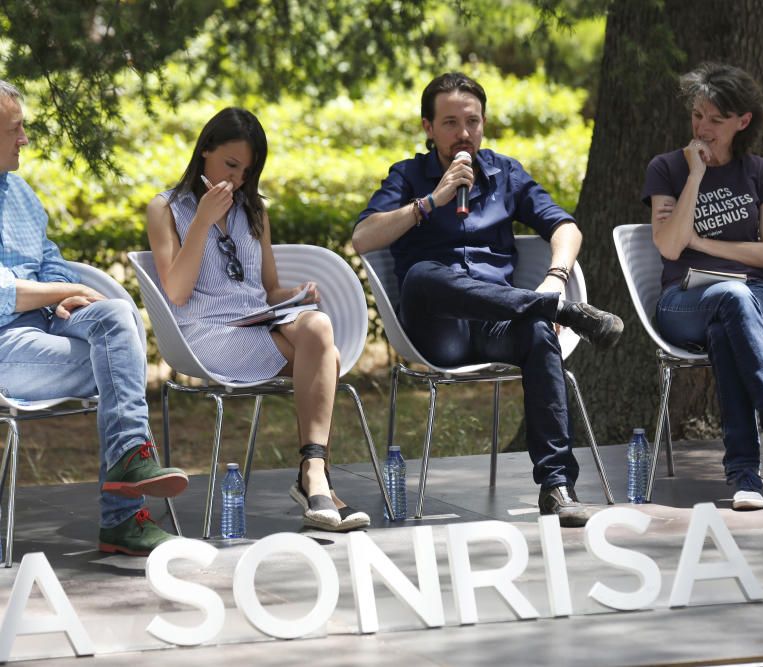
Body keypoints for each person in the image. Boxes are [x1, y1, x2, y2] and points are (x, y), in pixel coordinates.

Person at [353, 72, 623, 527]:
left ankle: (557, 488)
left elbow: (565, 227)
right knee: (421, 274)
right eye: (450, 123)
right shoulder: (408, 176)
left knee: (538, 332)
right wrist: (430, 201)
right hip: (438, 330)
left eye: (472, 122)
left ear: (483, 123)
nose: (463, 134)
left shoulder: (505, 173)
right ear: (428, 127)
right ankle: (558, 313)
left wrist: (556, 278)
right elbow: (363, 237)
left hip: (498, 321)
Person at [146, 107, 370, 532]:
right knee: (327, 357)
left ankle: (314, 474)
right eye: (230, 165)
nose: (237, 180)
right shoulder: (166, 208)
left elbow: (267, 290)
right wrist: (203, 222)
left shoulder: (254, 211)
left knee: (318, 327)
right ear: (205, 151)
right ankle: (317, 481)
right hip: (206, 334)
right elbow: (175, 291)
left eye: (247, 172)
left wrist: (297, 295)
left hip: (260, 321)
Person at [0, 80, 189, 556]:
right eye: (14, 129)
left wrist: (60, 296)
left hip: (44, 327)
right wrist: (65, 289)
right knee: (119, 366)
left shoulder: (19, 192)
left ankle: (129, 459)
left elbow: (49, 261)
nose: (24, 139)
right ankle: (123, 514)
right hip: (6, 347)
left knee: (117, 315)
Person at [641, 63, 763, 512]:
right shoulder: (667, 169)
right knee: (731, 299)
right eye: (697, 116)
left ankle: (746, 478)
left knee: (732, 321)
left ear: (742, 122)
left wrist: (702, 242)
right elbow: (668, 247)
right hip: (684, 300)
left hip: (754, 300)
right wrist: (696, 179)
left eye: (715, 120)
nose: (702, 129)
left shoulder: (758, 172)